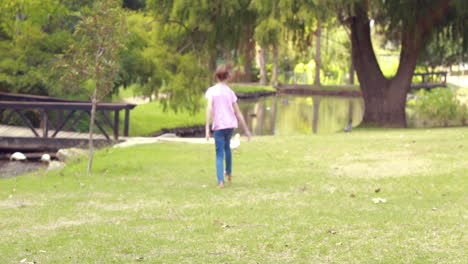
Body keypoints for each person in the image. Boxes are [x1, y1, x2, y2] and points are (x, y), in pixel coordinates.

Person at [205, 64, 251, 188]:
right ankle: (229, 173)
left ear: (216, 76)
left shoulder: (212, 91)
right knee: (227, 148)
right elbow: (238, 112)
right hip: (230, 125)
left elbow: (209, 108)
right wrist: (246, 130)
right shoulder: (230, 92)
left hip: (219, 126)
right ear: (227, 77)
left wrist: (206, 129)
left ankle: (221, 181)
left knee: (219, 153)